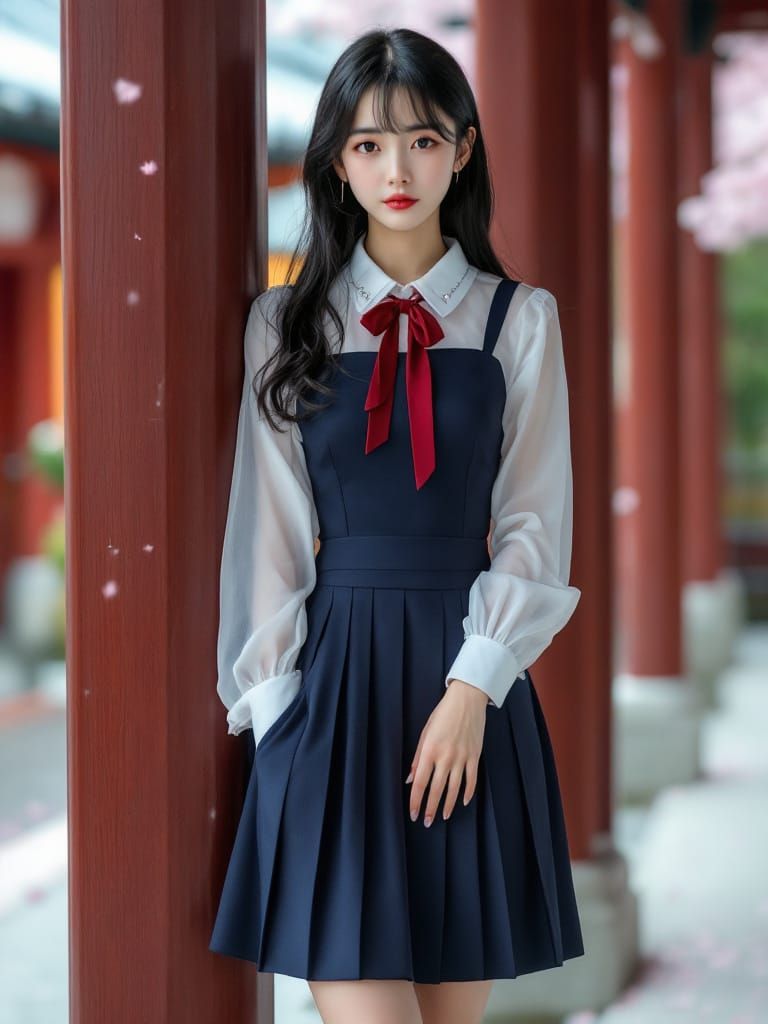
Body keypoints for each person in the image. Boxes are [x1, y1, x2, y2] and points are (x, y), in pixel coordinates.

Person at [209, 25, 584, 1024]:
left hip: (469, 688)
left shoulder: (520, 320)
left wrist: (477, 688)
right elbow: (269, 531)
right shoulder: (285, 325)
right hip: (331, 694)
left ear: (462, 147)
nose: (397, 167)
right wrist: (279, 715)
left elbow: (536, 524)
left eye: (420, 139)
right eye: (368, 145)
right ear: (337, 161)